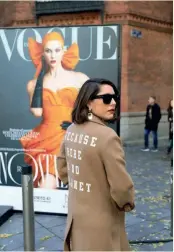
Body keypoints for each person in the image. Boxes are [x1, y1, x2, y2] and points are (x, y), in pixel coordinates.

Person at [57, 78, 135, 251]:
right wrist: (126, 203)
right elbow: (122, 187)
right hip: (103, 222)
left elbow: (62, 167)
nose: (113, 102)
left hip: (77, 217)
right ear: (89, 102)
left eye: (115, 97)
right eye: (106, 98)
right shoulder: (108, 137)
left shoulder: (71, 130)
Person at [20, 32, 89, 189]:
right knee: (46, 185)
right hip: (48, 137)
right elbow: (37, 112)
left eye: (57, 50)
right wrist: (40, 78)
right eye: (48, 51)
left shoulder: (80, 78)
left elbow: (92, 110)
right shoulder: (33, 84)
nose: (53, 55)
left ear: (64, 51)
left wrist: (77, 123)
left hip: (73, 134)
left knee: (79, 187)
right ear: (42, 53)